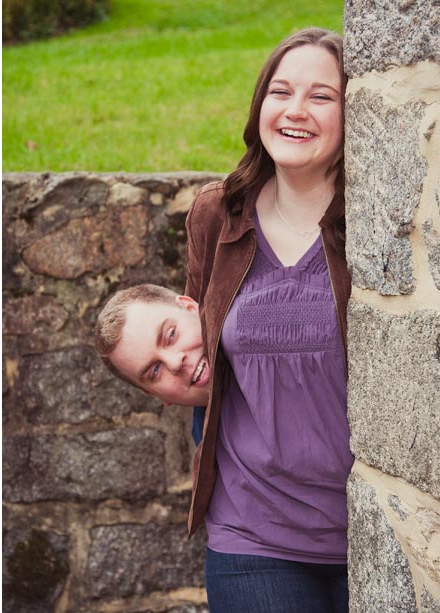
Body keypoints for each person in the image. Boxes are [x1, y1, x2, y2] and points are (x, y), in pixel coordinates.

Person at [183, 28, 352, 612]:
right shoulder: (218, 214)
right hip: (253, 536)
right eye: (281, 92)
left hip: (375, 527)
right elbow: (193, 352)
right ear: (260, 106)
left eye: (322, 97)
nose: (295, 111)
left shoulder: (373, 224)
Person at [94, 283, 209, 443]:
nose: (175, 362)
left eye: (171, 335)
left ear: (191, 308)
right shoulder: (208, 451)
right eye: (155, 370)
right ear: (155, 394)